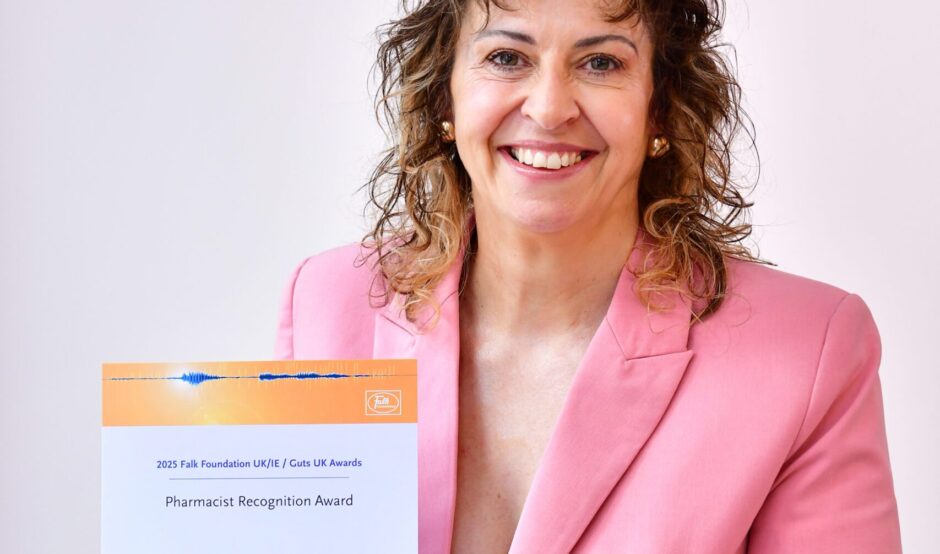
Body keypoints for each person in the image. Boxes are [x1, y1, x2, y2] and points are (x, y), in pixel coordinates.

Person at [275, 0, 902, 551]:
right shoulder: (328, 304)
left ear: (660, 108)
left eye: (601, 62)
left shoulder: (808, 351)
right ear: (445, 95)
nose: (549, 109)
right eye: (505, 57)